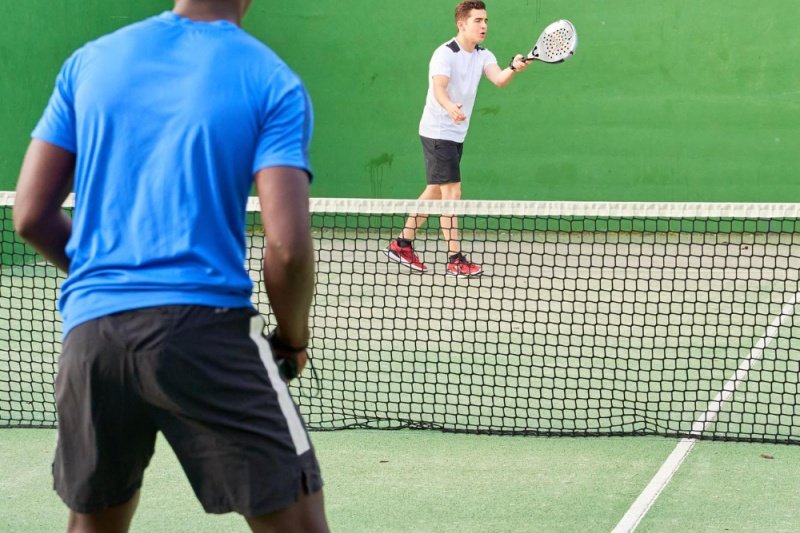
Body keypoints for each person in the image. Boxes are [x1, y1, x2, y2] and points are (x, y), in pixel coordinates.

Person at [13, 1, 329, 531]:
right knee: (299, 524)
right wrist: (292, 340)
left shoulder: (91, 62)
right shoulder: (271, 79)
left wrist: (109, 280)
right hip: (207, 332)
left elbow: (29, 216)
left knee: (93, 524)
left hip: (92, 340)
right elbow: (289, 246)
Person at [384, 0, 529, 277]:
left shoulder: (483, 55)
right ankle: (454, 258)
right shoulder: (444, 54)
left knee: (436, 190)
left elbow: (498, 79)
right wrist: (450, 106)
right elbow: (438, 89)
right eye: (477, 20)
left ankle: (402, 243)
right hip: (438, 130)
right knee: (452, 192)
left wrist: (514, 67)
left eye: (486, 20)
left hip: (456, 132)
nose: (484, 25)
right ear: (462, 24)